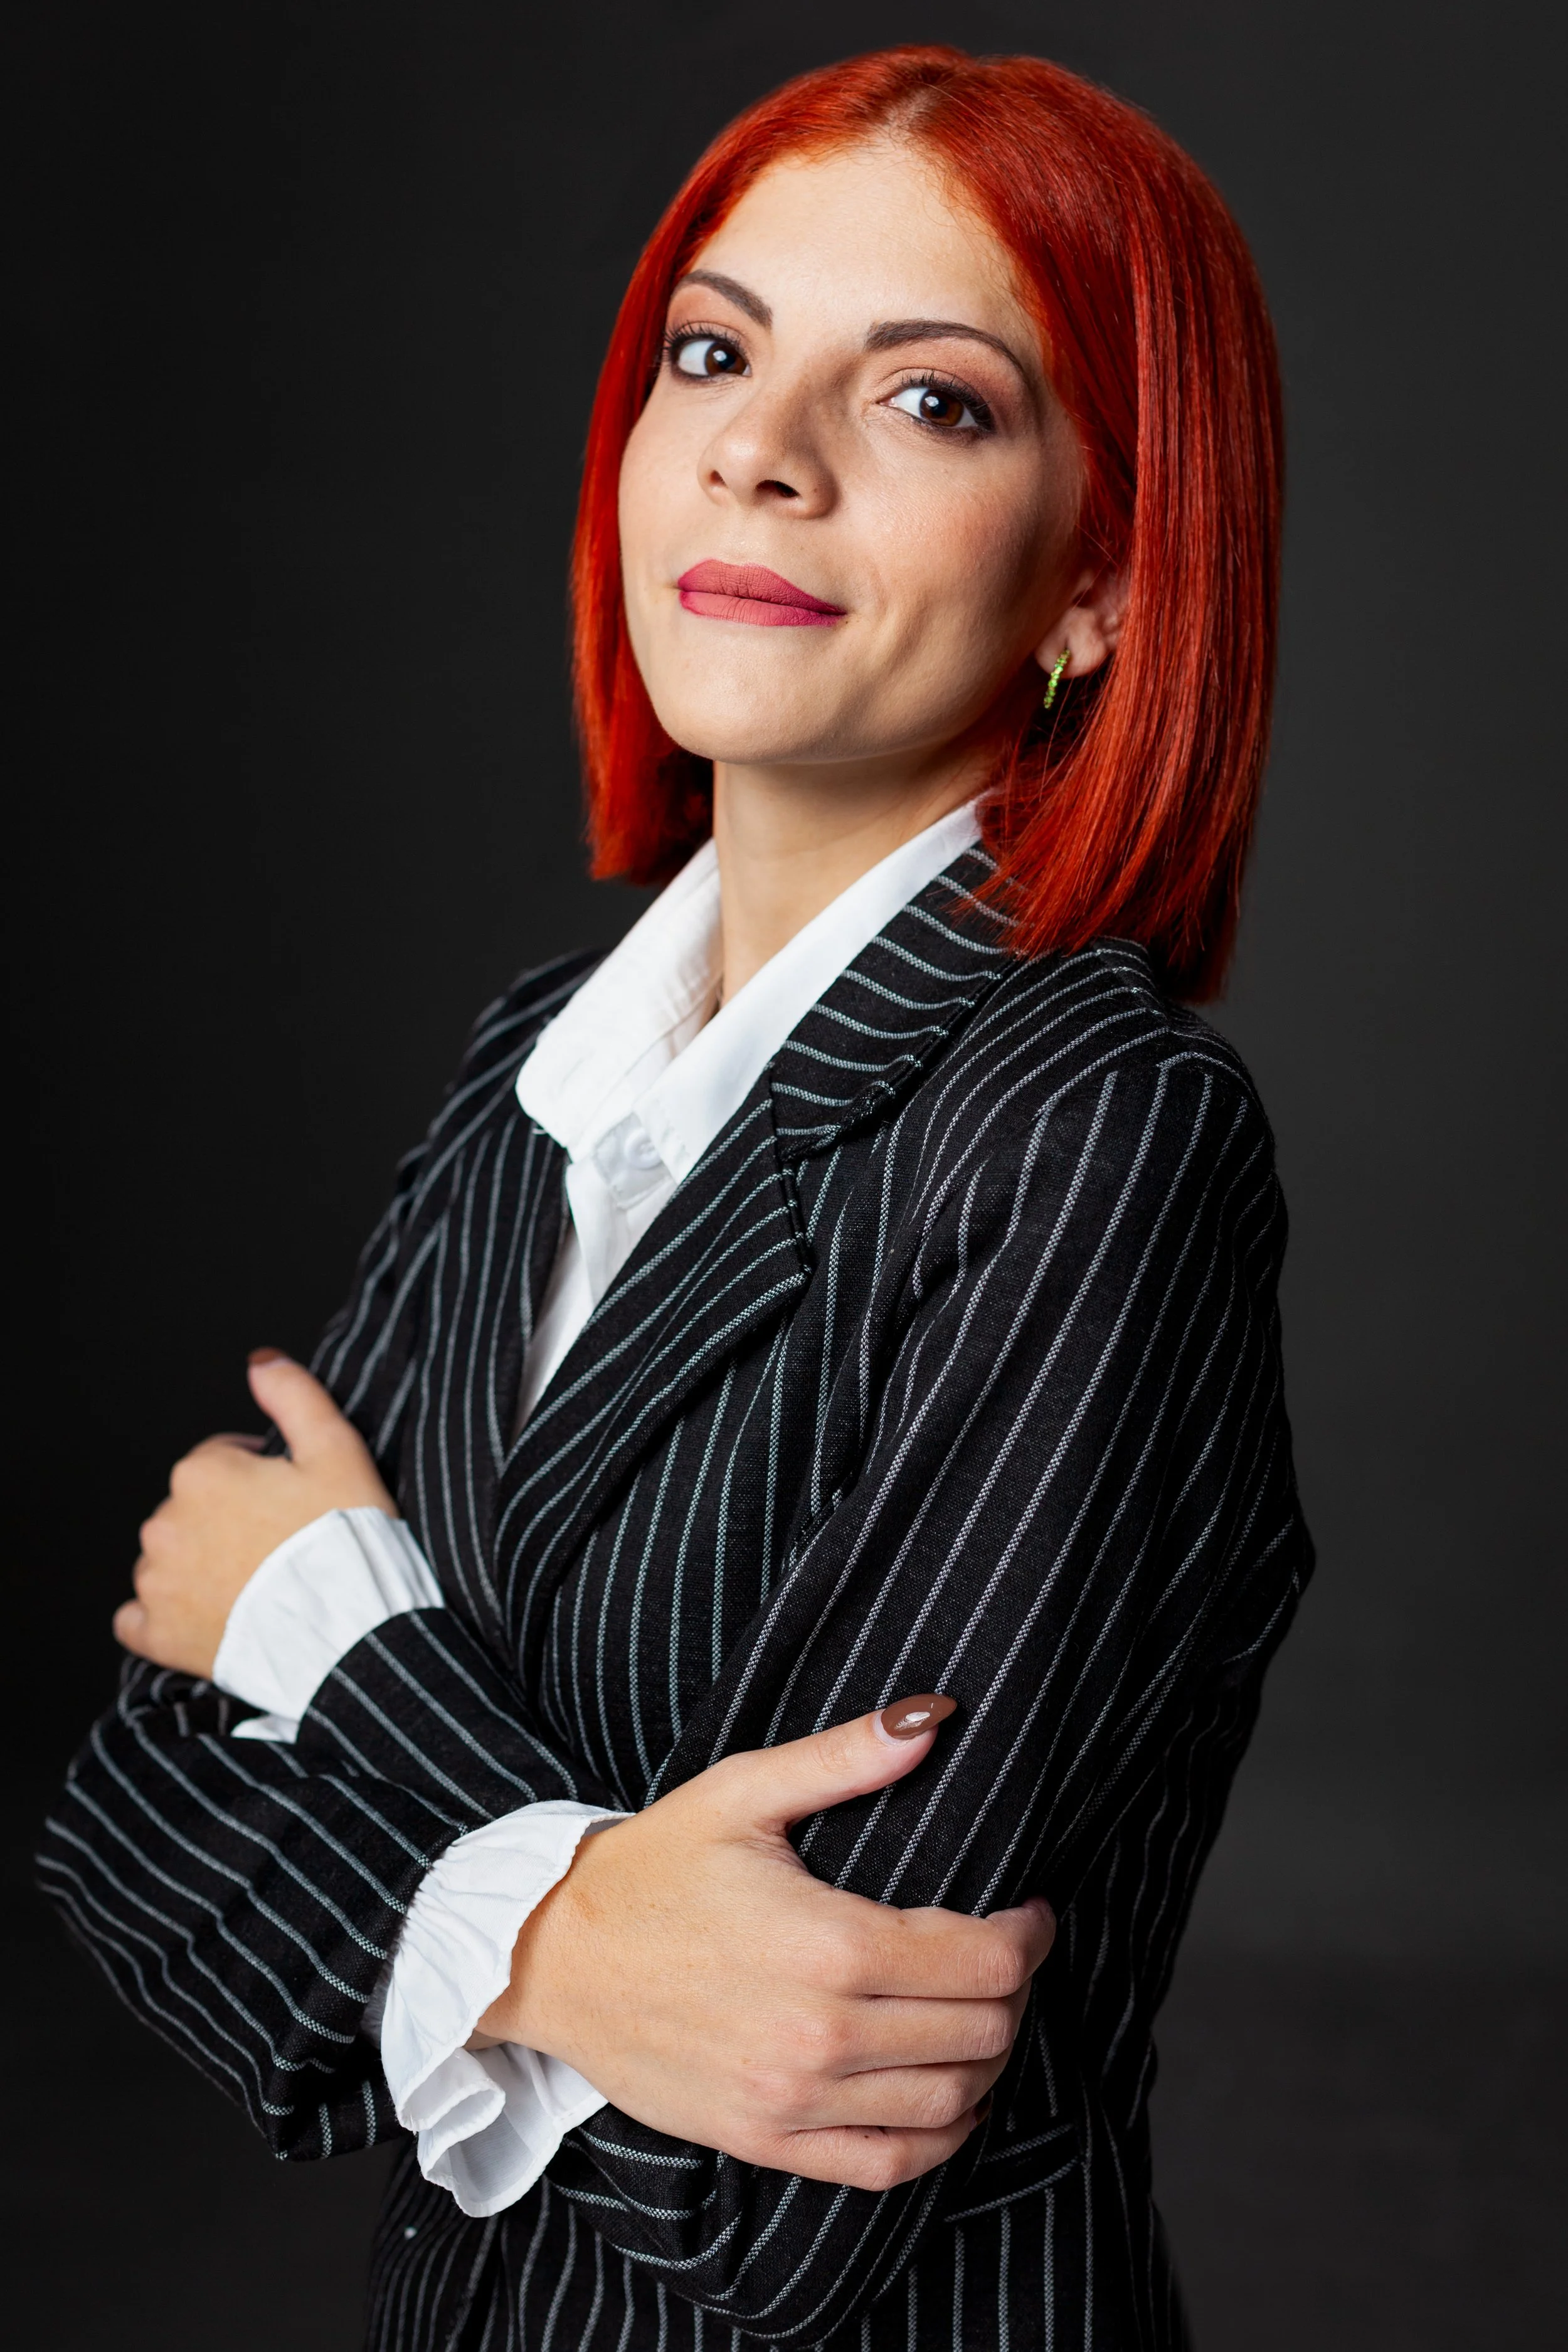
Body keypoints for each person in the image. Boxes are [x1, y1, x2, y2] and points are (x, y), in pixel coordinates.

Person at [40, 43, 1309, 2351]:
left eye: (928, 402)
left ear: (1103, 578)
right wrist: (583, 1936)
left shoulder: (1091, 1139)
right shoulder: (548, 1063)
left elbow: (775, 2170)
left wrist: (333, 1637)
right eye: (713, 354)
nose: (758, 445)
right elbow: (135, 1837)